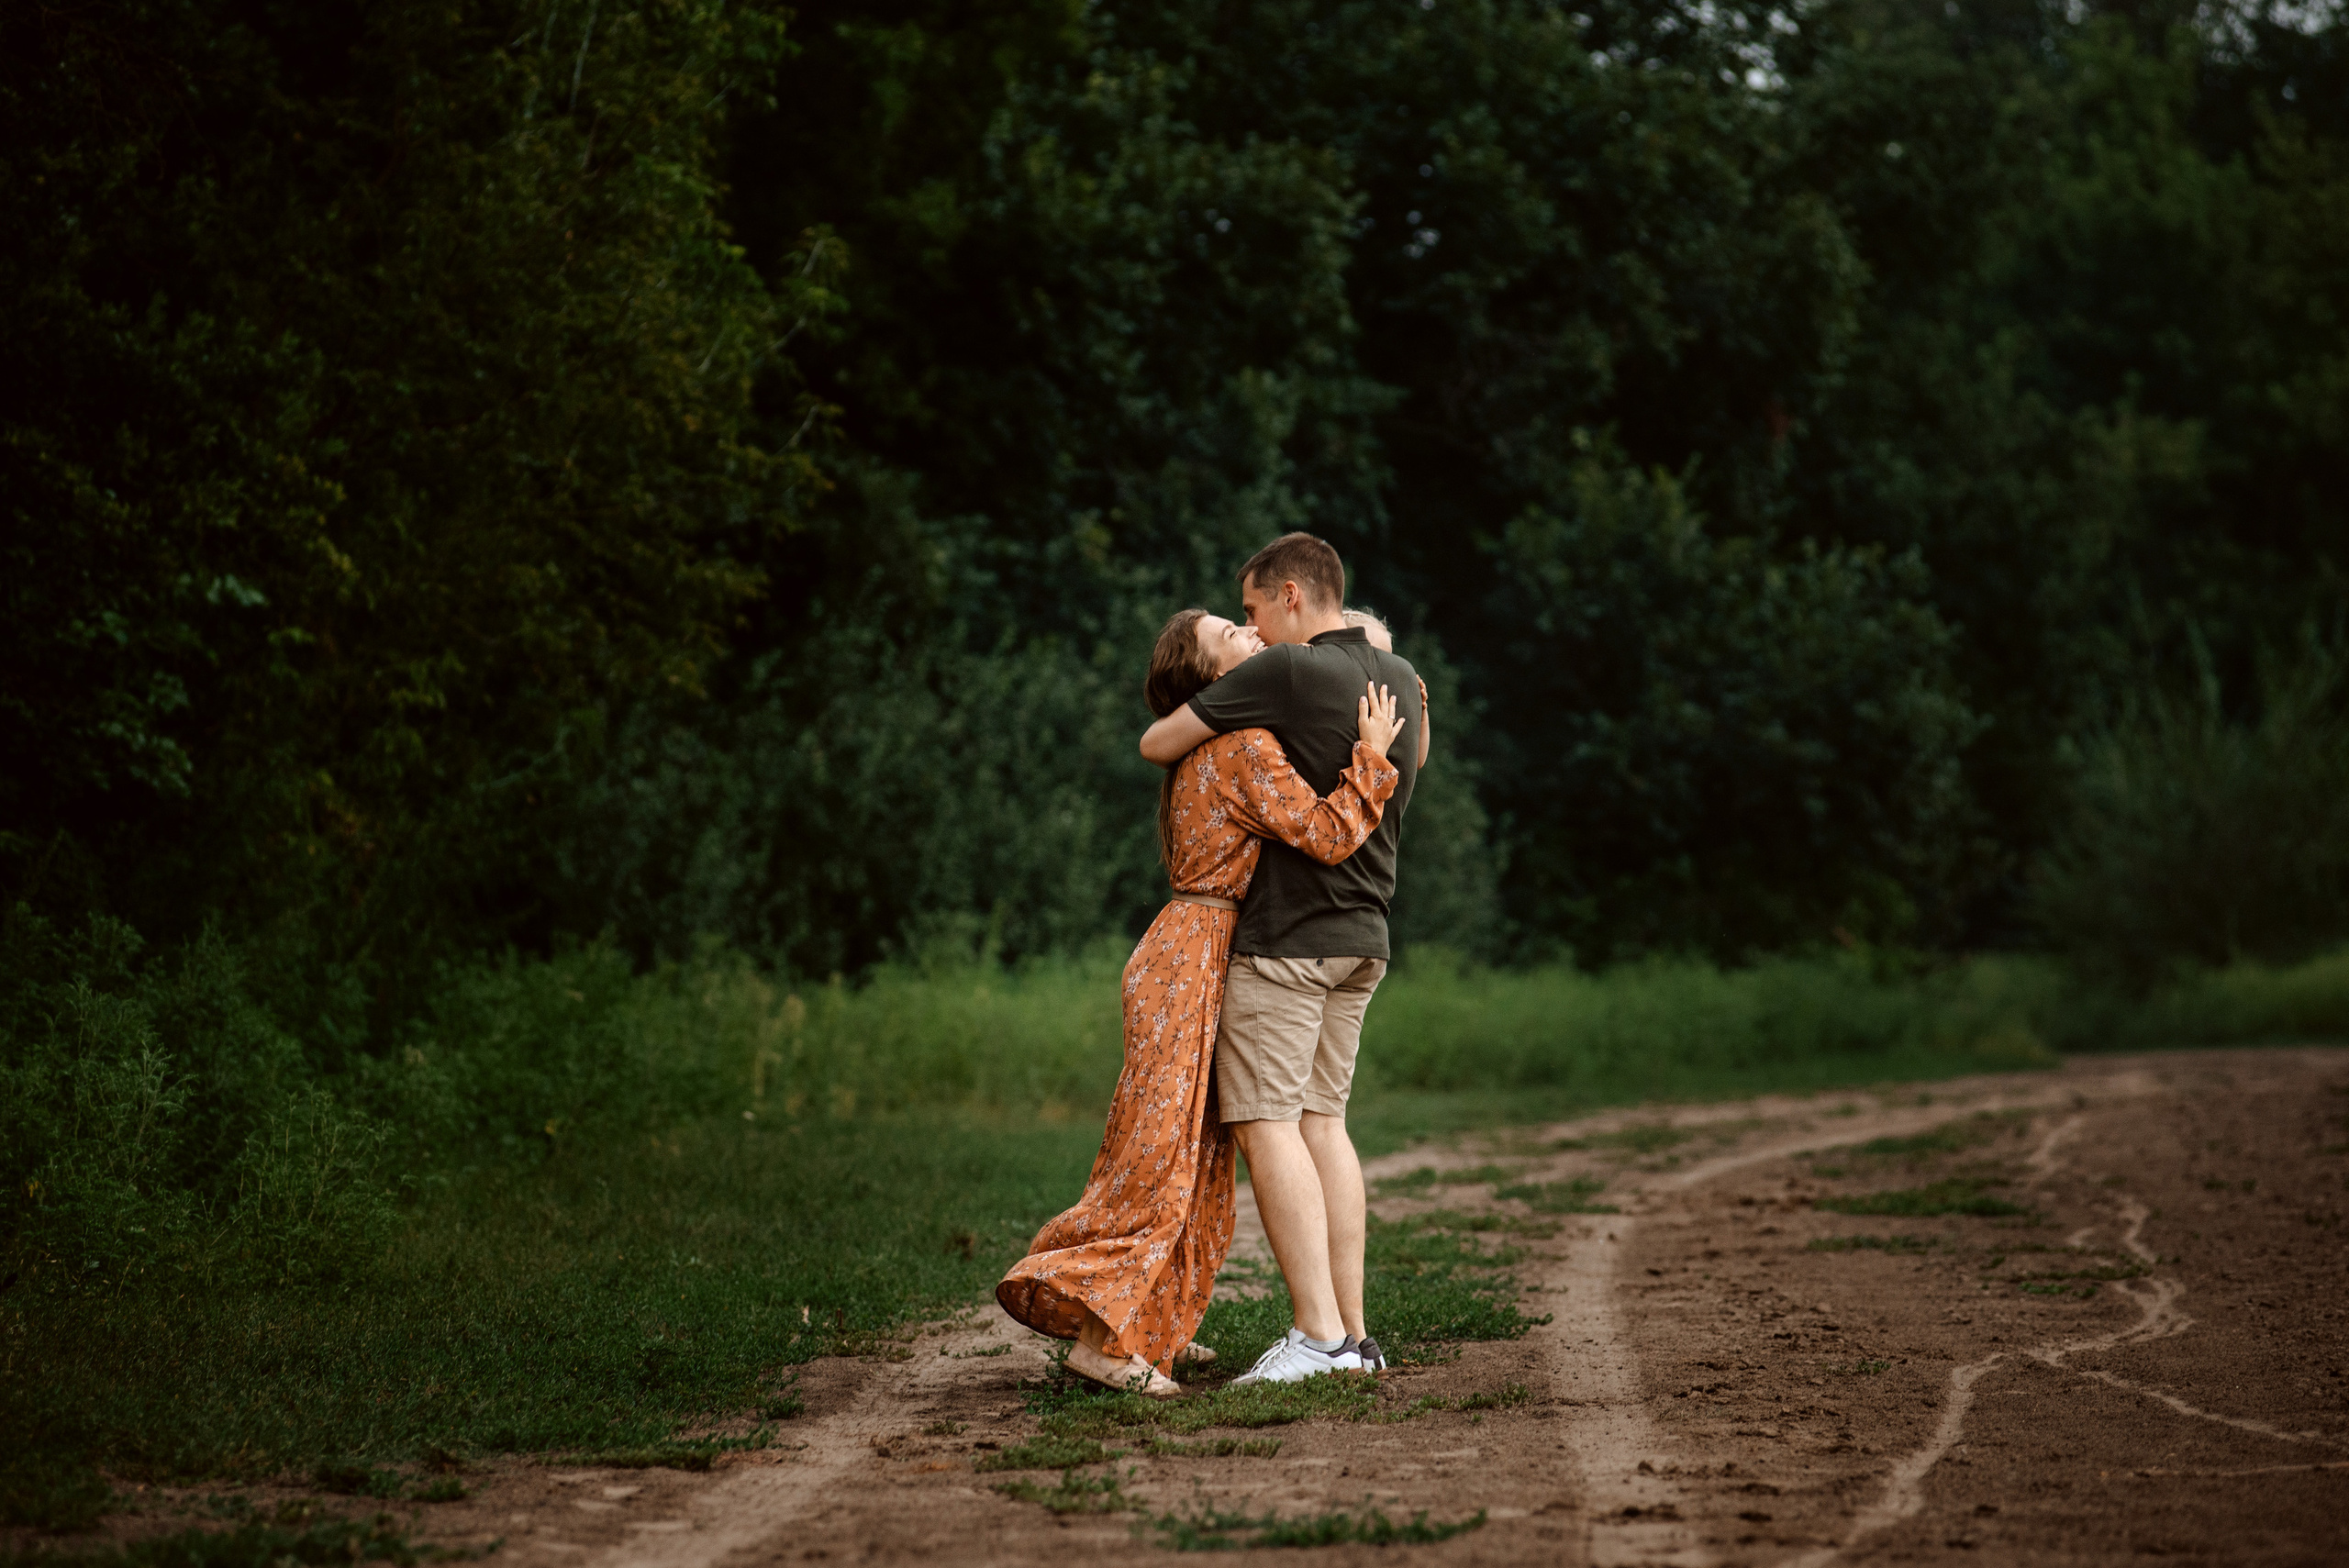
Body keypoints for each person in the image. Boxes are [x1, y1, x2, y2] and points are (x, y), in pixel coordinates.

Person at [996, 606, 1408, 1396]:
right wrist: (1371, 759)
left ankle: (1154, 1323)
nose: (1252, 638)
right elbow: (1325, 834)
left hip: (1196, 945)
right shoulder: (1244, 747)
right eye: (1233, 637)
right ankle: (1101, 1342)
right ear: (1220, 679)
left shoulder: (1221, 744)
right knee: (1161, 1150)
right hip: (1196, 953)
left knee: (1195, 1148)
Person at [1138, 532, 1424, 1385]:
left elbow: (1159, 740)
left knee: (1267, 1125)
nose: (1255, 628)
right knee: (1324, 1124)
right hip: (1366, 933)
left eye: (1255, 608)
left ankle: (1316, 1337)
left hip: (1288, 938)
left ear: (1293, 595)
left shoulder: (1287, 673)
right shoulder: (1404, 679)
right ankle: (1355, 1336)